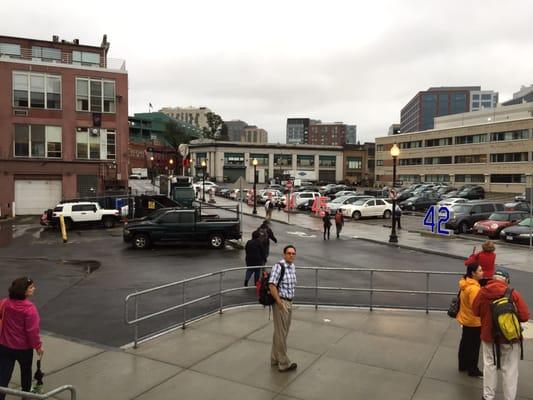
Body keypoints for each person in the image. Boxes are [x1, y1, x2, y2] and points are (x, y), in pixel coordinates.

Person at [472, 268, 530, 400]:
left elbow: (475, 311)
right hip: (510, 338)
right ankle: (509, 398)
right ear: (507, 280)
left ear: (492, 279)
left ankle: (488, 396)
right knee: (510, 369)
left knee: (489, 365)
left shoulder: (482, 292)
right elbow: (525, 316)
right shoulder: (513, 294)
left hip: (489, 336)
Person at [0, 277, 43, 399]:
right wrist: (38, 346)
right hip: (23, 349)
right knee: (26, 373)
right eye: (31, 287)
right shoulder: (29, 309)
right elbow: (32, 331)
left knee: (3, 376)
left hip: (5, 346)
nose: (34, 288)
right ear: (23, 291)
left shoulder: (4, 303)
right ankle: (25, 396)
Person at [269, 245, 297, 372]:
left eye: (293, 253)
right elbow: (272, 285)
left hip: (289, 302)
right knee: (281, 334)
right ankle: (284, 363)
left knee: (280, 333)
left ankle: (275, 358)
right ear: (284, 254)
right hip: (281, 303)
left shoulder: (292, 267)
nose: (291, 255)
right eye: (289, 253)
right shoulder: (278, 266)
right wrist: (279, 303)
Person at [456, 264, 484, 377]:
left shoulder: (465, 283)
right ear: (473, 273)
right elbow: (476, 307)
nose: (483, 272)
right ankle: (473, 369)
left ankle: (463, 365)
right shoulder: (474, 289)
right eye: (480, 270)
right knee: (474, 346)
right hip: (474, 322)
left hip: (465, 318)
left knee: (465, 343)